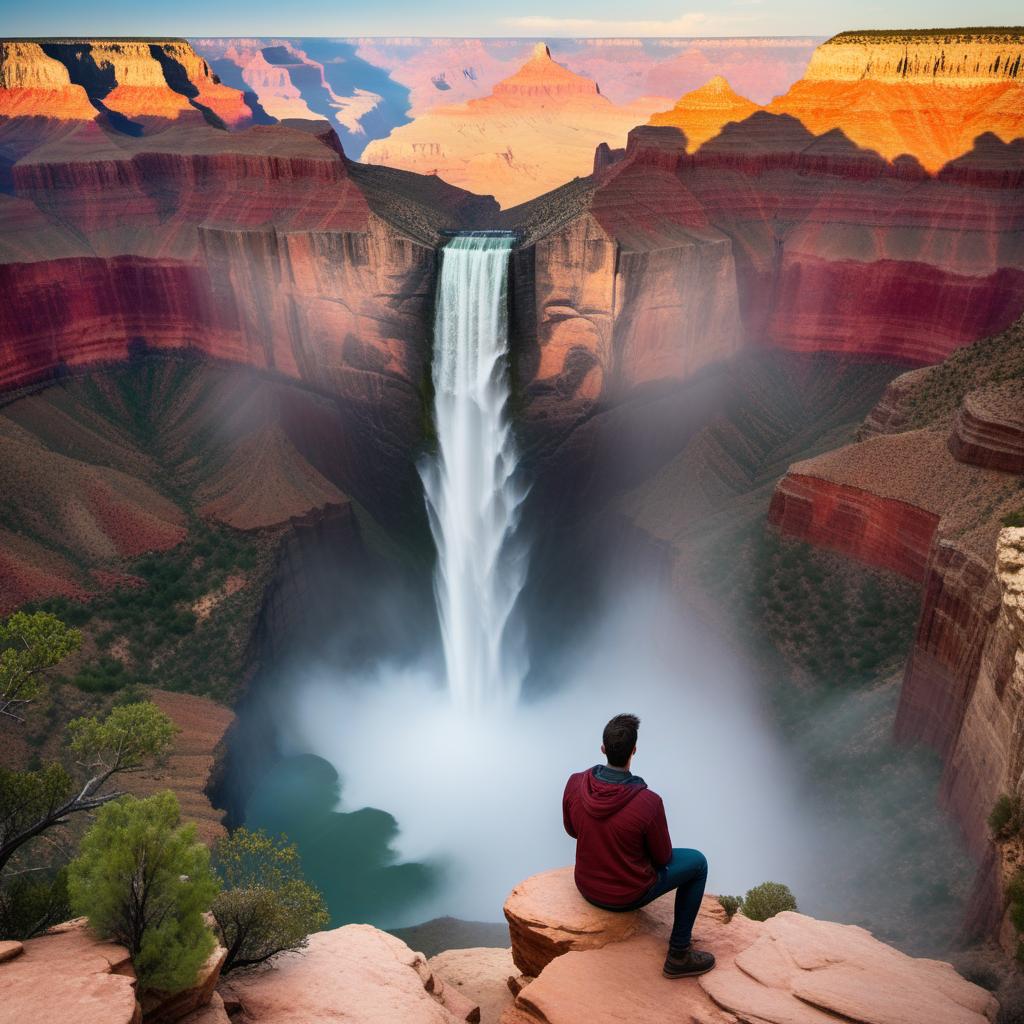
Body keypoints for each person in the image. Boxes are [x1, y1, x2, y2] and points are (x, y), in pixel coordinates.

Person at [562, 713, 715, 978]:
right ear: (634, 751)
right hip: (627, 896)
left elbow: (572, 830)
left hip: (585, 886)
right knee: (698, 863)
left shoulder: (576, 783)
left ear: (603, 749)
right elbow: (663, 857)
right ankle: (679, 954)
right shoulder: (647, 802)